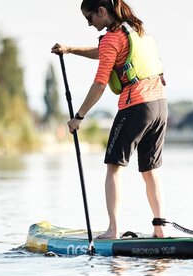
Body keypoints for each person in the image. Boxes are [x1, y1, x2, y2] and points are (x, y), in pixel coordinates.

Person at [51, 0, 168, 239]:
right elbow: (104, 52)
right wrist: (71, 49)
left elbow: (99, 84)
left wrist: (78, 117)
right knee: (150, 170)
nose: (89, 24)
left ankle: (113, 230)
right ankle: (160, 229)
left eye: (90, 18)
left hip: (135, 107)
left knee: (114, 167)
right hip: (160, 106)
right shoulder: (137, 30)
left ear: (102, 11)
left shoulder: (111, 39)